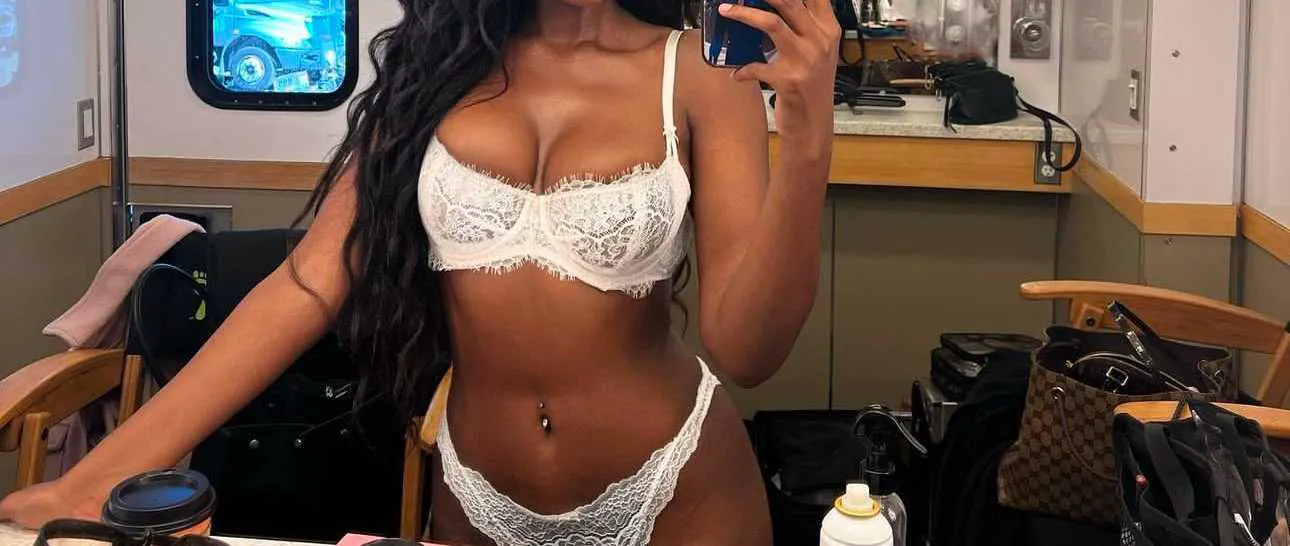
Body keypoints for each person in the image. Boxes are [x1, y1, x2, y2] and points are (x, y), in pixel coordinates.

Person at [0, 0, 838, 543]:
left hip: (681, 492)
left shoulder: (700, 74)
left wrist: (806, 139)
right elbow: (310, 282)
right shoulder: (435, 68)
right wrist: (95, 479)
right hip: (478, 499)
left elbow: (748, 349)